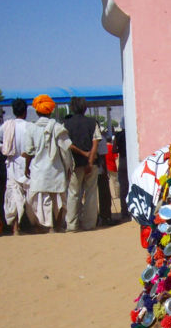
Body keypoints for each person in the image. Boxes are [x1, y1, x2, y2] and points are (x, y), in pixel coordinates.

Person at [23, 94, 74, 232]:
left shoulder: (31, 129)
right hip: (56, 169)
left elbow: (28, 151)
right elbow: (66, 149)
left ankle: (47, 226)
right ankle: (57, 226)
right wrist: (68, 167)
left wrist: (26, 167)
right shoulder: (57, 127)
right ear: (50, 111)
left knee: (41, 200)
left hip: (38, 170)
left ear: (36, 111)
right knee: (58, 199)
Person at [64, 96, 102, 232]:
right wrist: (90, 161)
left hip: (75, 164)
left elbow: (68, 145)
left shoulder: (66, 124)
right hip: (92, 164)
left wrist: (82, 154)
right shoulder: (93, 123)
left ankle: (72, 224)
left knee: (73, 193)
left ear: (72, 108)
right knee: (91, 193)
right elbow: (95, 143)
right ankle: (89, 224)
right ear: (85, 108)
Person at [1, 98, 38, 234]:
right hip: (28, 164)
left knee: (14, 197)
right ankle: (35, 225)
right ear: (25, 111)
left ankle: (16, 228)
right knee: (31, 197)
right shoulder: (30, 126)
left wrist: (5, 149)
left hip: (12, 164)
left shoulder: (7, 126)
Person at [96, 128, 116, 226]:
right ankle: (105, 217)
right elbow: (102, 156)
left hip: (84, 168)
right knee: (104, 194)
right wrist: (104, 171)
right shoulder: (101, 139)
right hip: (99, 169)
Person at [112, 127, 130, 219]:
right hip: (132, 160)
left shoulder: (118, 135)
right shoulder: (132, 132)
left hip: (122, 160)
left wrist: (120, 149)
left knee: (123, 188)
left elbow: (114, 150)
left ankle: (124, 211)